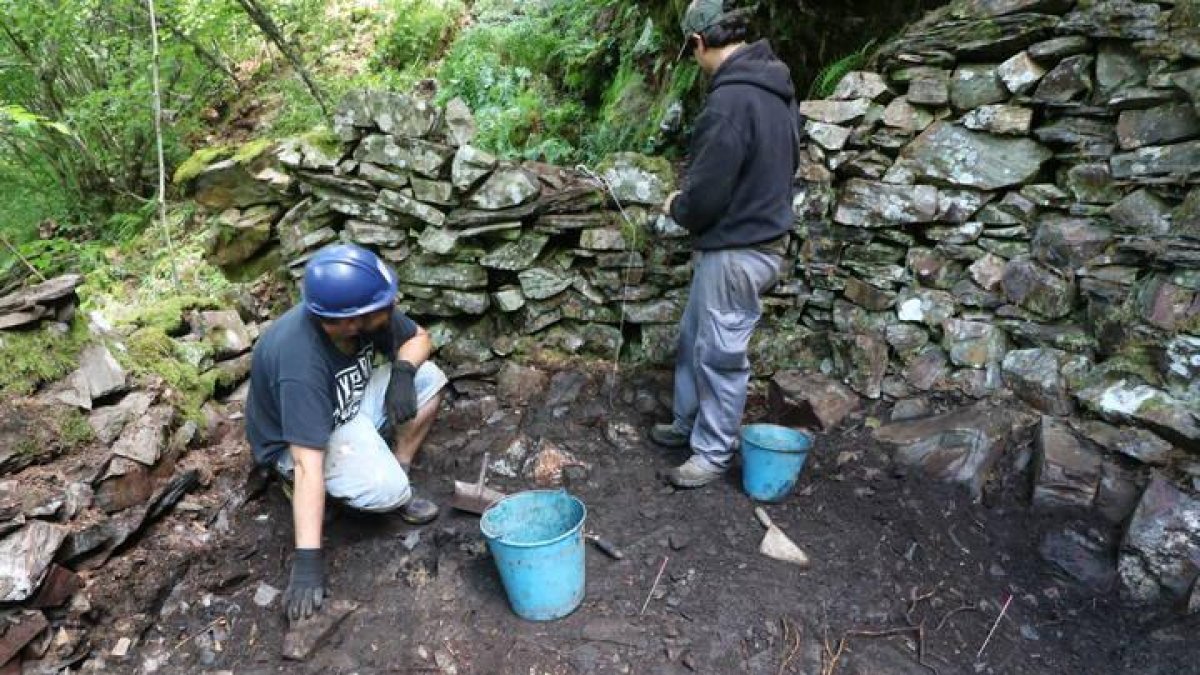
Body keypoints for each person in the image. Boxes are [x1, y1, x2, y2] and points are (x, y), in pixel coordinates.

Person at [245, 243, 448, 621]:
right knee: (387, 492)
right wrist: (307, 561)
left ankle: (397, 463)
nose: (392, 308)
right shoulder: (301, 362)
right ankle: (303, 484)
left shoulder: (365, 314)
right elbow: (308, 464)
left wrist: (402, 372)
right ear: (349, 321)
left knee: (429, 380)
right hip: (302, 442)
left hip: (348, 404)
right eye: (382, 306)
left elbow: (419, 337)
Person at [651, 0, 798, 488]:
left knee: (719, 352)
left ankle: (711, 453)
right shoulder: (777, 90)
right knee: (697, 335)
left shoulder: (730, 102)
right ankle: (686, 422)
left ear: (699, 43)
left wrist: (677, 206)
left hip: (737, 248)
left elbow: (706, 197)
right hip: (759, 239)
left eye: (691, 52)